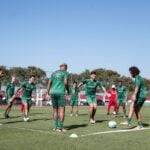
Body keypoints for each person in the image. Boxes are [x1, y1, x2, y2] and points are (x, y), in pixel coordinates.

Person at [47, 63, 69, 132]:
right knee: (62, 110)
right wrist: (68, 90)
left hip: (52, 92)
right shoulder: (65, 73)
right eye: (66, 67)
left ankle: (55, 127)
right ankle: (60, 127)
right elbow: (65, 82)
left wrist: (48, 92)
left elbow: (49, 83)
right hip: (60, 93)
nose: (66, 69)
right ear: (64, 67)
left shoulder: (53, 73)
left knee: (55, 110)